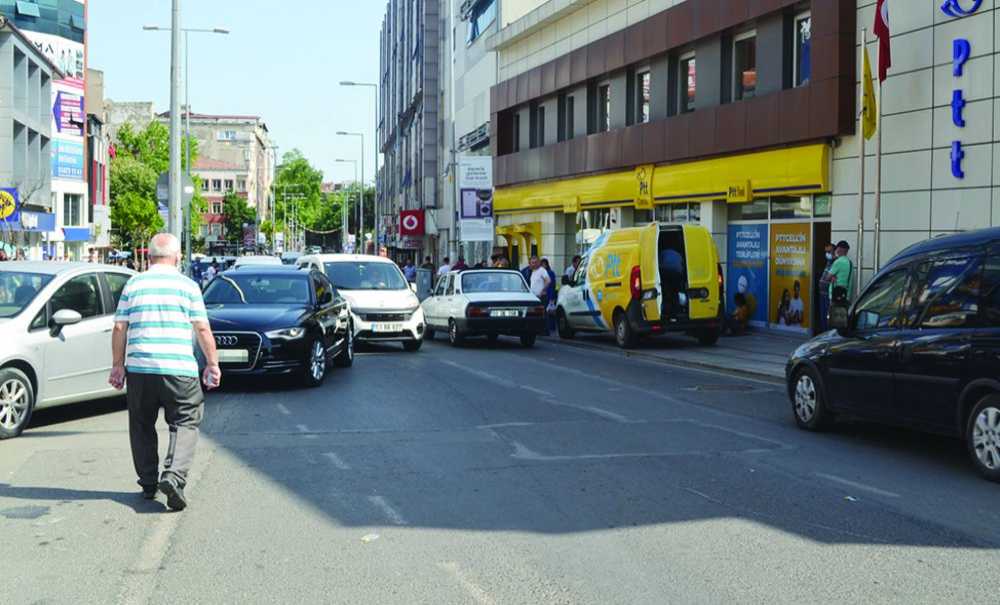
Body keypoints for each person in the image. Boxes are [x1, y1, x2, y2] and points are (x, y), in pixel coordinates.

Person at [109, 233, 221, 511]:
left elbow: (119, 327)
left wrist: (117, 364)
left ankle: (148, 482)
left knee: (141, 424)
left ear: (149, 257)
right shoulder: (188, 286)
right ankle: (173, 475)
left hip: (140, 369)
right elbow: (203, 328)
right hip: (179, 369)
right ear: (178, 257)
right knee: (185, 421)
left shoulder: (133, 284)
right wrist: (212, 364)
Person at [817, 243, 835, 331]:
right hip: (822, 293)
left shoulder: (836, 262)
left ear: (834, 251)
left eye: (829, 251)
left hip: (829, 294)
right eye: (826, 252)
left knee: (828, 317)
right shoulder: (829, 262)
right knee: (823, 316)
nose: (827, 254)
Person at [541, 258, 558, 333]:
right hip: (543, 294)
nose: (543, 266)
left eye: (544, 264)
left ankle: (550, 327)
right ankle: (546, 327)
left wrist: (552, 297)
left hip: (549, 294)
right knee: (545, 311)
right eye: (542, 265)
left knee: (550, 311)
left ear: (547, 265)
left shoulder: (550, 273)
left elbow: (553, 285)